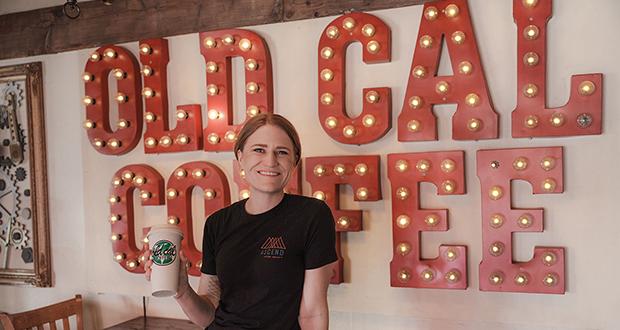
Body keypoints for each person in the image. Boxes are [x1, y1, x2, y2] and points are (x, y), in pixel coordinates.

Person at [145, 113, 338, 329]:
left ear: (294, 162)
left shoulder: (312, 215)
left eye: (281, 152)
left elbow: (312, 312)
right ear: (240, 157)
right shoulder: (217, 223)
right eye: (259, 150)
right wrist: (182, 290)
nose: (270, 161)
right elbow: (208, 316)